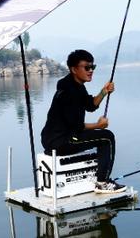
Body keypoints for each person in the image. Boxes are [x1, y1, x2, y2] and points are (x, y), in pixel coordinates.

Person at [40, 49, 127, 194]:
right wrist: (98, 126)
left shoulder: (75, 86)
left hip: (55, 138)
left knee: (103, 135)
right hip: (61, 140)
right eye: (86, 67)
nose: (90, 70)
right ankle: (102, 183)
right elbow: (76, 126)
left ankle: (101, 178)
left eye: (92, 67)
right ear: (74, 69)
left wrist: (104, 92)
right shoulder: (69, 92)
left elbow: (90, 105)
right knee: (107, 137)